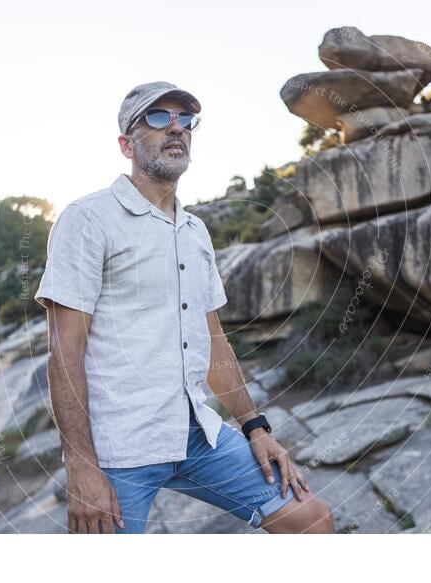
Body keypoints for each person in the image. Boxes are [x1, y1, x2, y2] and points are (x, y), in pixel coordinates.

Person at [34, 81, 334, 534]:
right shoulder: (88, 219)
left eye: (185, 120)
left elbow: (213, 341)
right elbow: (65, 350)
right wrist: (81, 467)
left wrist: (256, 427)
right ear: (126, 144)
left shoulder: (194, 231)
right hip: (120, 450)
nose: (176, 128)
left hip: (196, 436)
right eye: (157, 118)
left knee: (310, 519)